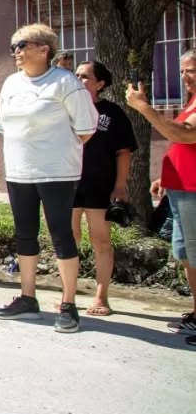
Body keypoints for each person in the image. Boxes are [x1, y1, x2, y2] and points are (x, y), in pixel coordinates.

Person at [0, 23, 97, 332]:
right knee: (24, 234)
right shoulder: (10, 84)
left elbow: (86, 129)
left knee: (61, 235)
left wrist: (55, 152)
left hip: (57, 173)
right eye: (13, 47)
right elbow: (4, 126)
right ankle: (28, 298)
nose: (17, 52)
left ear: (44, 49)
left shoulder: (65, 83)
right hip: (19, 172)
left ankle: (68, 305)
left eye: (22, 45)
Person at [126, 49, 196, 340]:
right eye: (182, 70)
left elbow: (185, 135)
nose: (184, 76)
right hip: (181, 188)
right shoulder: (192, 101)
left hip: (193, 191)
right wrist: (166, 176)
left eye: (190, 70)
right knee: (186, 254)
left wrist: (145, 108)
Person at [72, 61, 136, 316]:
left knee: (101, 241)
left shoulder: (112, 113)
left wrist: (120, 186)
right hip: (68, 184)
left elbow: (124, 152)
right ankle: (68, 297)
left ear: (100, 84)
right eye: (76, 75)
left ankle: (101, 298)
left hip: (100, 186)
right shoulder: (66, 109)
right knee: (68, 240)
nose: (79, 79)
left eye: (85, 76)